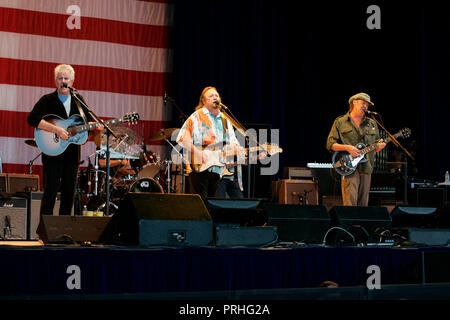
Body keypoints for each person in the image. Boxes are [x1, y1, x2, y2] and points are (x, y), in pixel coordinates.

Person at [27, 64, 103, 215]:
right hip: (52, 152)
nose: (63, 81)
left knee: (69, 193)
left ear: (72, 81)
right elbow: (32, 119)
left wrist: (97, 126)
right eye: (60, 78)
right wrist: (57, 130)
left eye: (66, 78)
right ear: (55, 81)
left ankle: (64, 230)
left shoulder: (78, 100)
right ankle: (45, 231)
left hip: (72, 153)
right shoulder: (47, 100)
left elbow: (87, 121)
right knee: (51, 191)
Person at [176, 86, 245, 199]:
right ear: (203, 101)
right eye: (211, 96)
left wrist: (239, 149)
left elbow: (232, 142)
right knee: (202, 205)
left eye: (216, 95)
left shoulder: (225, 119)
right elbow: (183, 138)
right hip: (200, 168)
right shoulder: (196, 116)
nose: (214, 97)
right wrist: (198, 152)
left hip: (219, 170)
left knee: (216, 206)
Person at [326, 92, 386, 206]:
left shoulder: (372, 123)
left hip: (366, 166)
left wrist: (380, 146)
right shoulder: (340, 121)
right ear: (354, 102)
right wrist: (347, 148)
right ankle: (349, 224)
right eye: (363, 103)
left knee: (363, 202)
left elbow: (376, 147)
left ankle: (360, 224)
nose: (365, 106)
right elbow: (330, 144)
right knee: (350, 201)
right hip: (348, 165)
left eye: (367, 105)